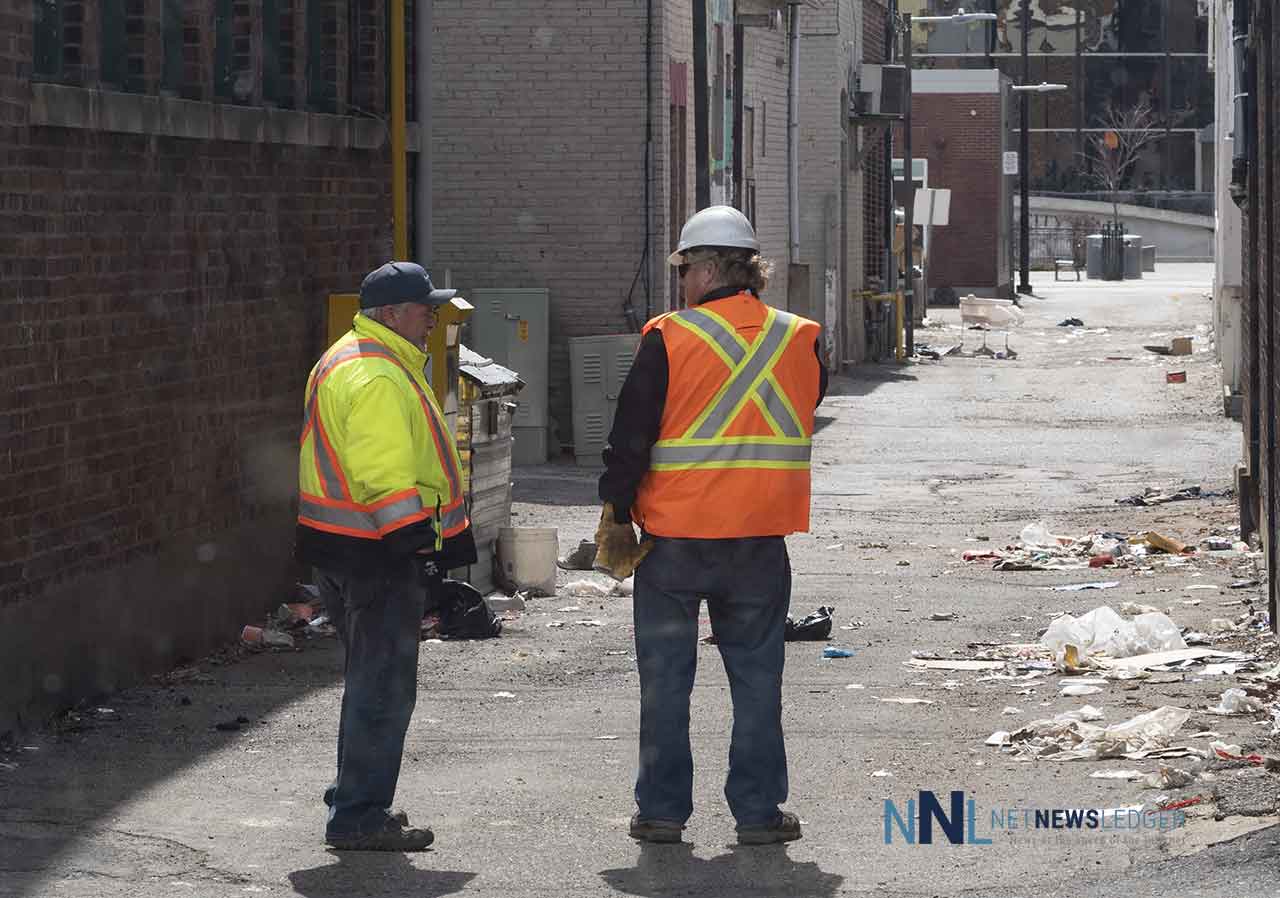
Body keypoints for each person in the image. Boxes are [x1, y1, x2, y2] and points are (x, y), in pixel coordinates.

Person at [597, 206, 827, 846]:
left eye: (684, 270)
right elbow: (806, 403)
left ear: (704, 269)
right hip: (758, 544)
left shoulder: (669, 338)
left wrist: (615, 513)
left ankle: (664, 813)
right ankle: (758, 814)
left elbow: (629, 440)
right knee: (757, 683)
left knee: (666, 683)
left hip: (676, 545)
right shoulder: (799, 337)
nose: (680, 283)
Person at [296, 261, 475, 851]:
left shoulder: (351, 357)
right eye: (426, 308)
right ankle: (358, 816)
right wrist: (419, 554)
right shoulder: (377, 374)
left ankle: (355, 795)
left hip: (344, 550)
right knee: (383, 688)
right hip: (377, 555)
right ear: (395, 314)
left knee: (366, 680)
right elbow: (384, 479)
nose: (433, 318)